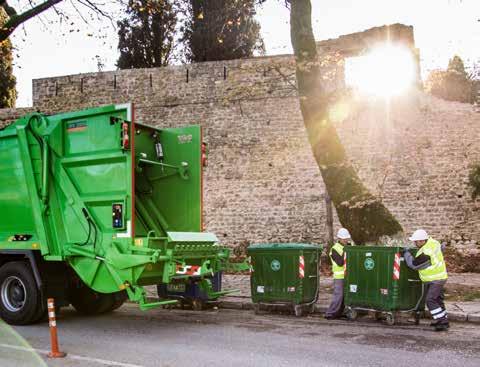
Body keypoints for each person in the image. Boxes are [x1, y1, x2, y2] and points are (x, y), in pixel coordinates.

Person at [404, 229, 449, 331]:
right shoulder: (434, 243)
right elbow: (441, 248)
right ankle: (442, 319)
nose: (415, 243)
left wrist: (407, 253)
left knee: (430, 300)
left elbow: (414, 265)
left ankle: (442, 321)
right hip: (440, 276)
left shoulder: (426, 252)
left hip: (435, 279)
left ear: (422, 241)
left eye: (416, 241)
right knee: (437, 299)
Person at [325, 228, 351, 320]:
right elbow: (340, 262)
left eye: (347, 238)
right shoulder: (334, 249)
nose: (346, 240)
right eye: (345, 239)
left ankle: (340, 312)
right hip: (339, 276)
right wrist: (346, 250)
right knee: (338, 295)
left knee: (345, 295)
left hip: (348, 275)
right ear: (339, 238)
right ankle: (330, 313)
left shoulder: (347, 247)